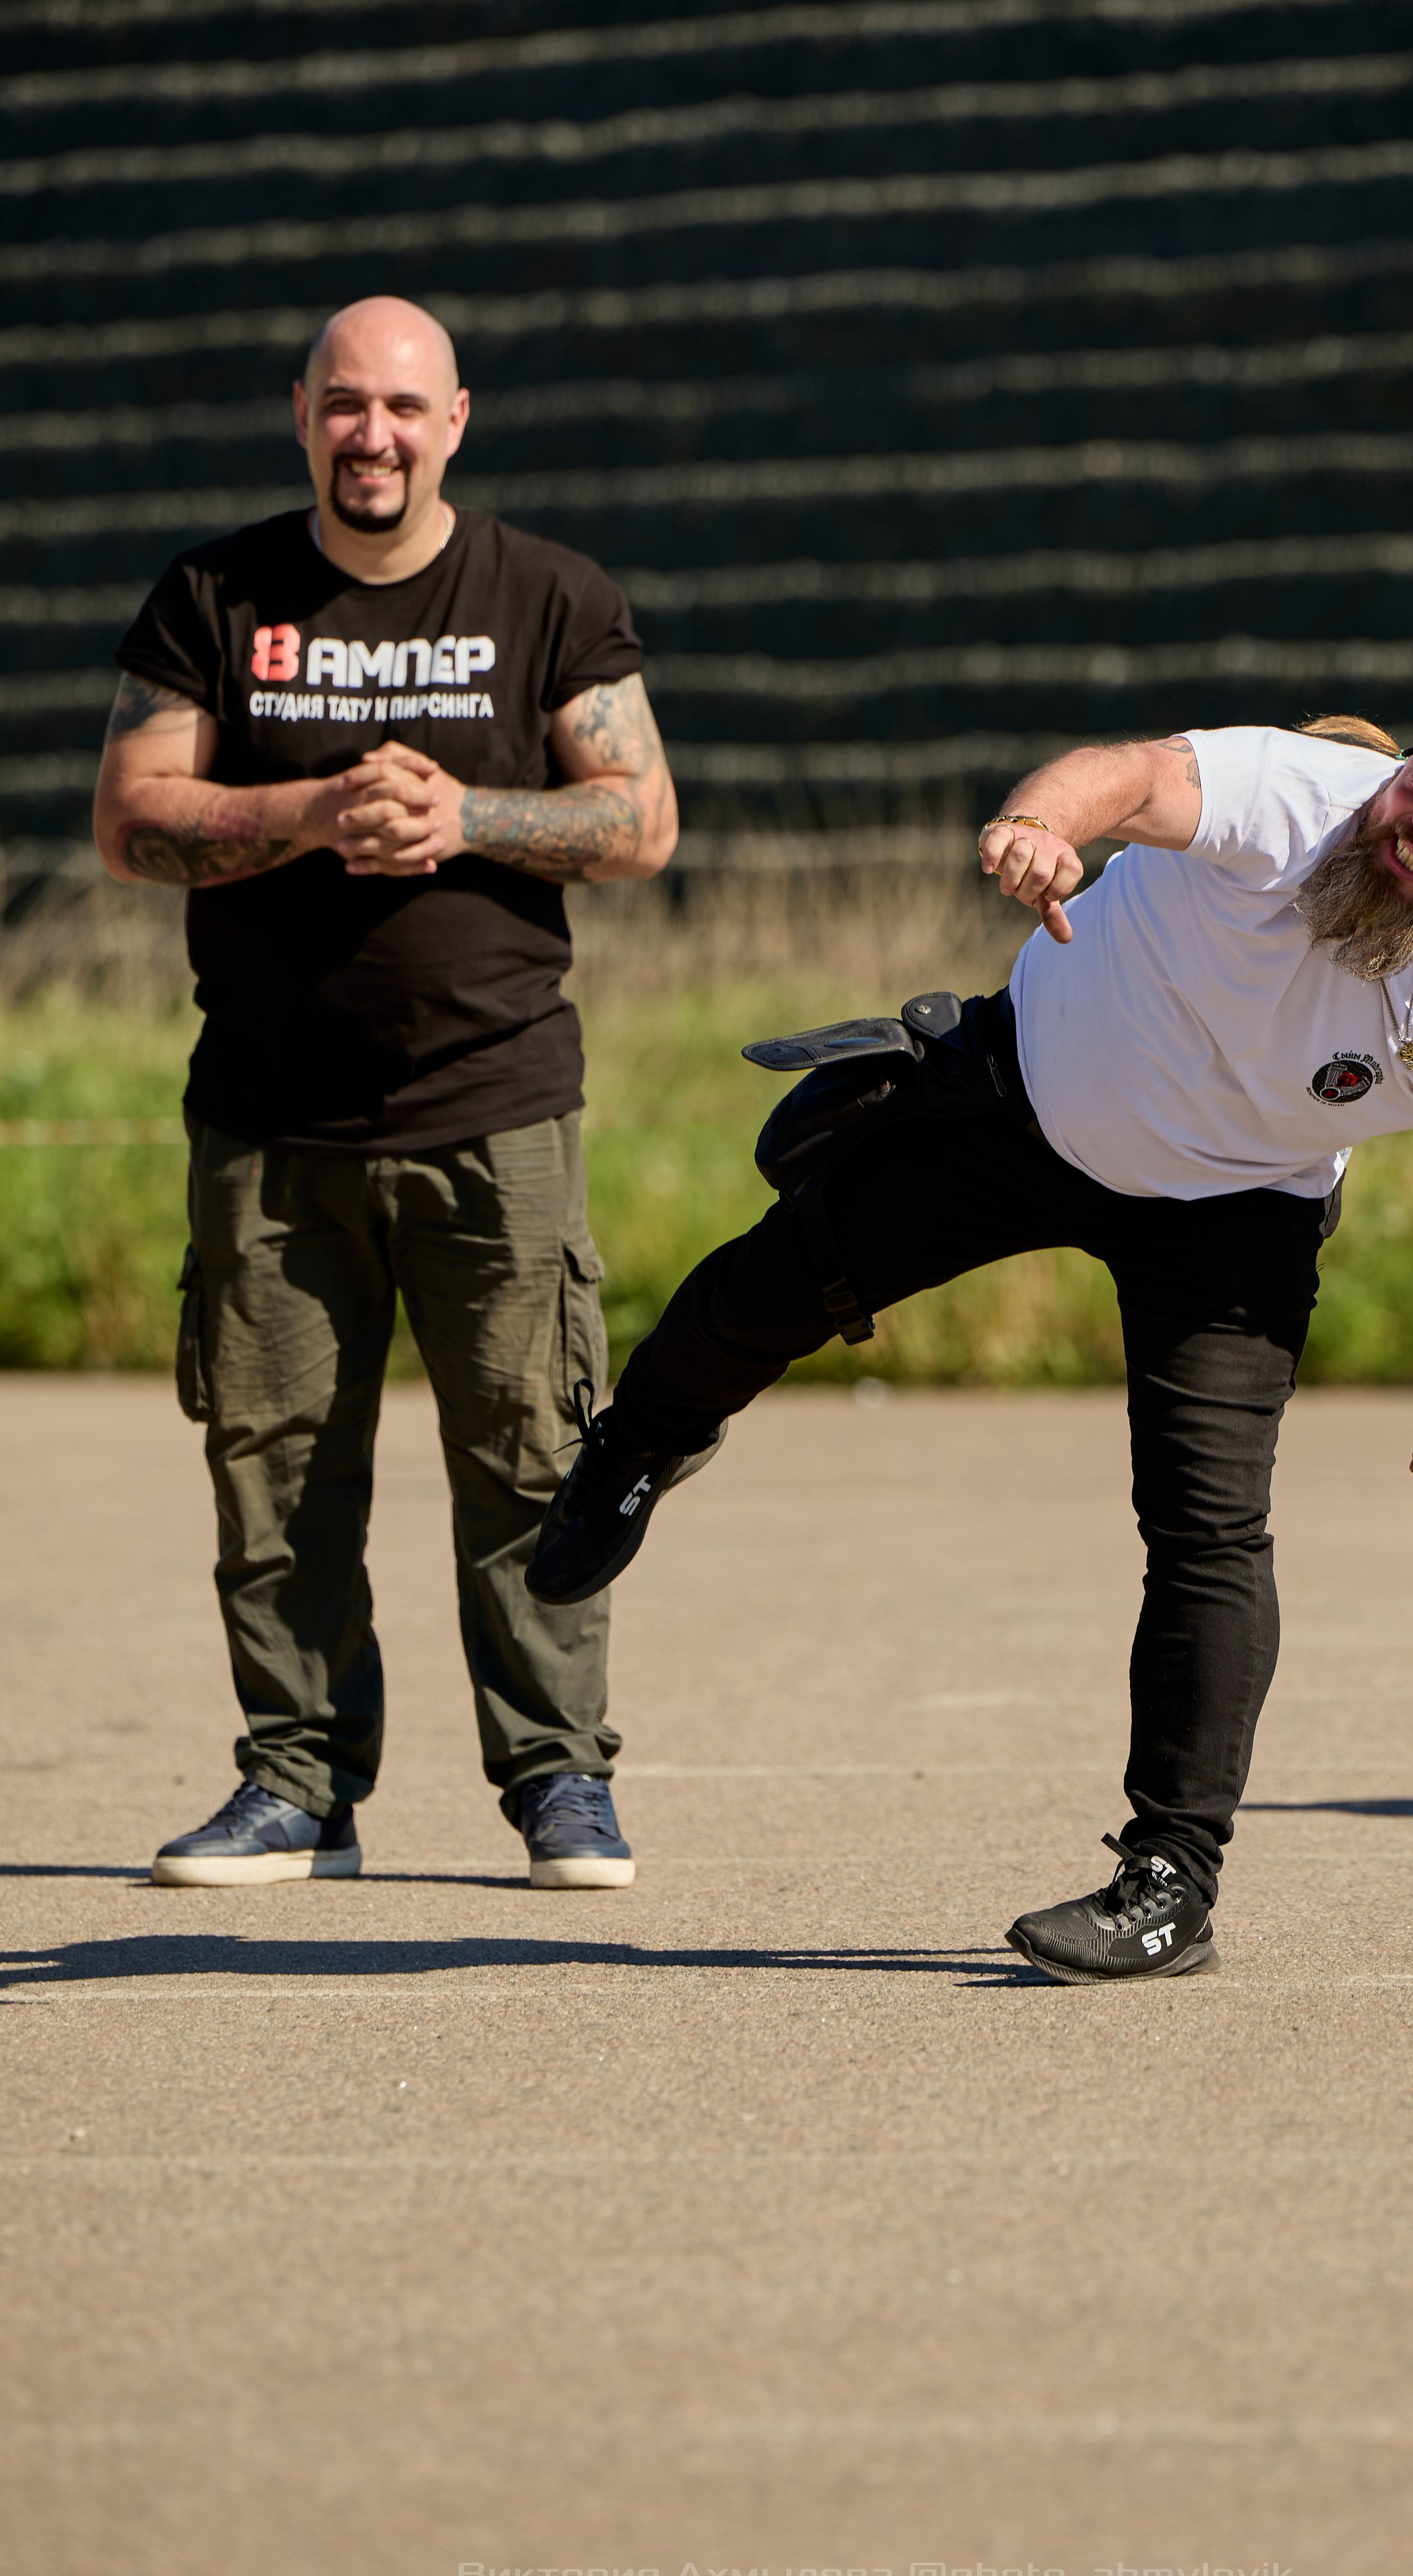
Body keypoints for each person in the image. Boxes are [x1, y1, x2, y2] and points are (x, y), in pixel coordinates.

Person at [521, 686, 1413, 1980]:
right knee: (769, 1284)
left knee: (1208, 1528)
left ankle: (1169, 1883)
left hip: (1236, 1213)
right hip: (1026, 1101)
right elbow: (1130, 775)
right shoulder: (1290, 797)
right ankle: (636, 1446)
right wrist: (1042, 823)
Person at [92, 296, 679, 1893]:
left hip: (496, 1112)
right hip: (268, 1125)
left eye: (404, 408)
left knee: (532, 1459)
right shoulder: (215, 594)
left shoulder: (544, 593)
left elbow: (636, 822)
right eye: (345, 405)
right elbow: (130, 821)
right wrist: (312, 807)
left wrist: (463, 816)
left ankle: (561, 1782)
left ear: (456, 420)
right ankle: (295, 1786)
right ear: (303, 414)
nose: (374, 434)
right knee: (274, 1471)